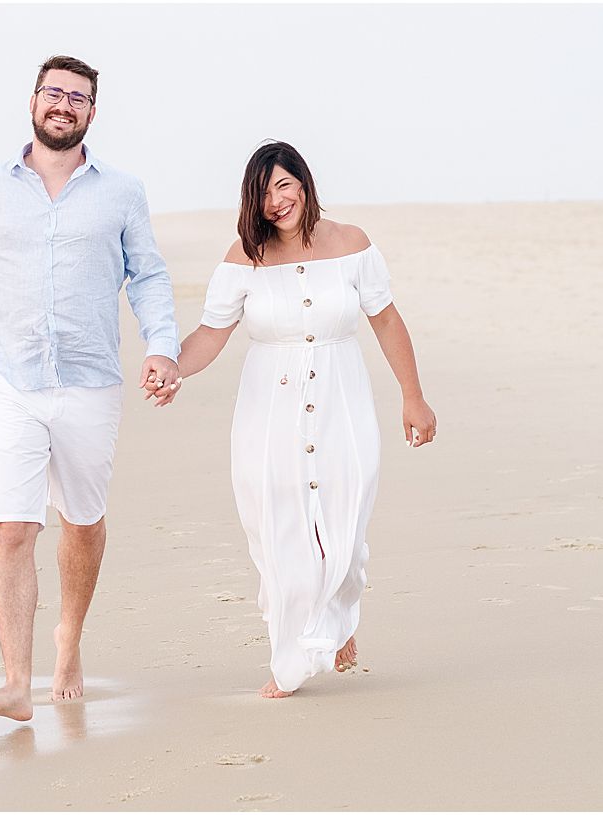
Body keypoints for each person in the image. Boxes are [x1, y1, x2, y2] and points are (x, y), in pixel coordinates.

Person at [146, 141, 436, 697]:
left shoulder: (351, 245)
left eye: (284, 186)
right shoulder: (242, 258)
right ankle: (292, 659)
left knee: (345, 526)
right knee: (279, 527)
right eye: (264, 194)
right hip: (269, 405)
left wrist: (412, 396)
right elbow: (212, 333)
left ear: (303, 183)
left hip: (341, 396)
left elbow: (386, 320)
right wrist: (172, 368)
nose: (277, 203)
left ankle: (336, 617)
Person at [0, 55, 181, 720]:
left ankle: (68, 639)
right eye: (54, 93)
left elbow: (150, 276)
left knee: (81, 521)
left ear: (91, 113)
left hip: (91, 382)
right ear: (33, 100)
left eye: (77, 98)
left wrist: (162, 345)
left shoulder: (122, 191)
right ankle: (17, 681)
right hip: (11, 381)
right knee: (13, 525)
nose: (63, 105)